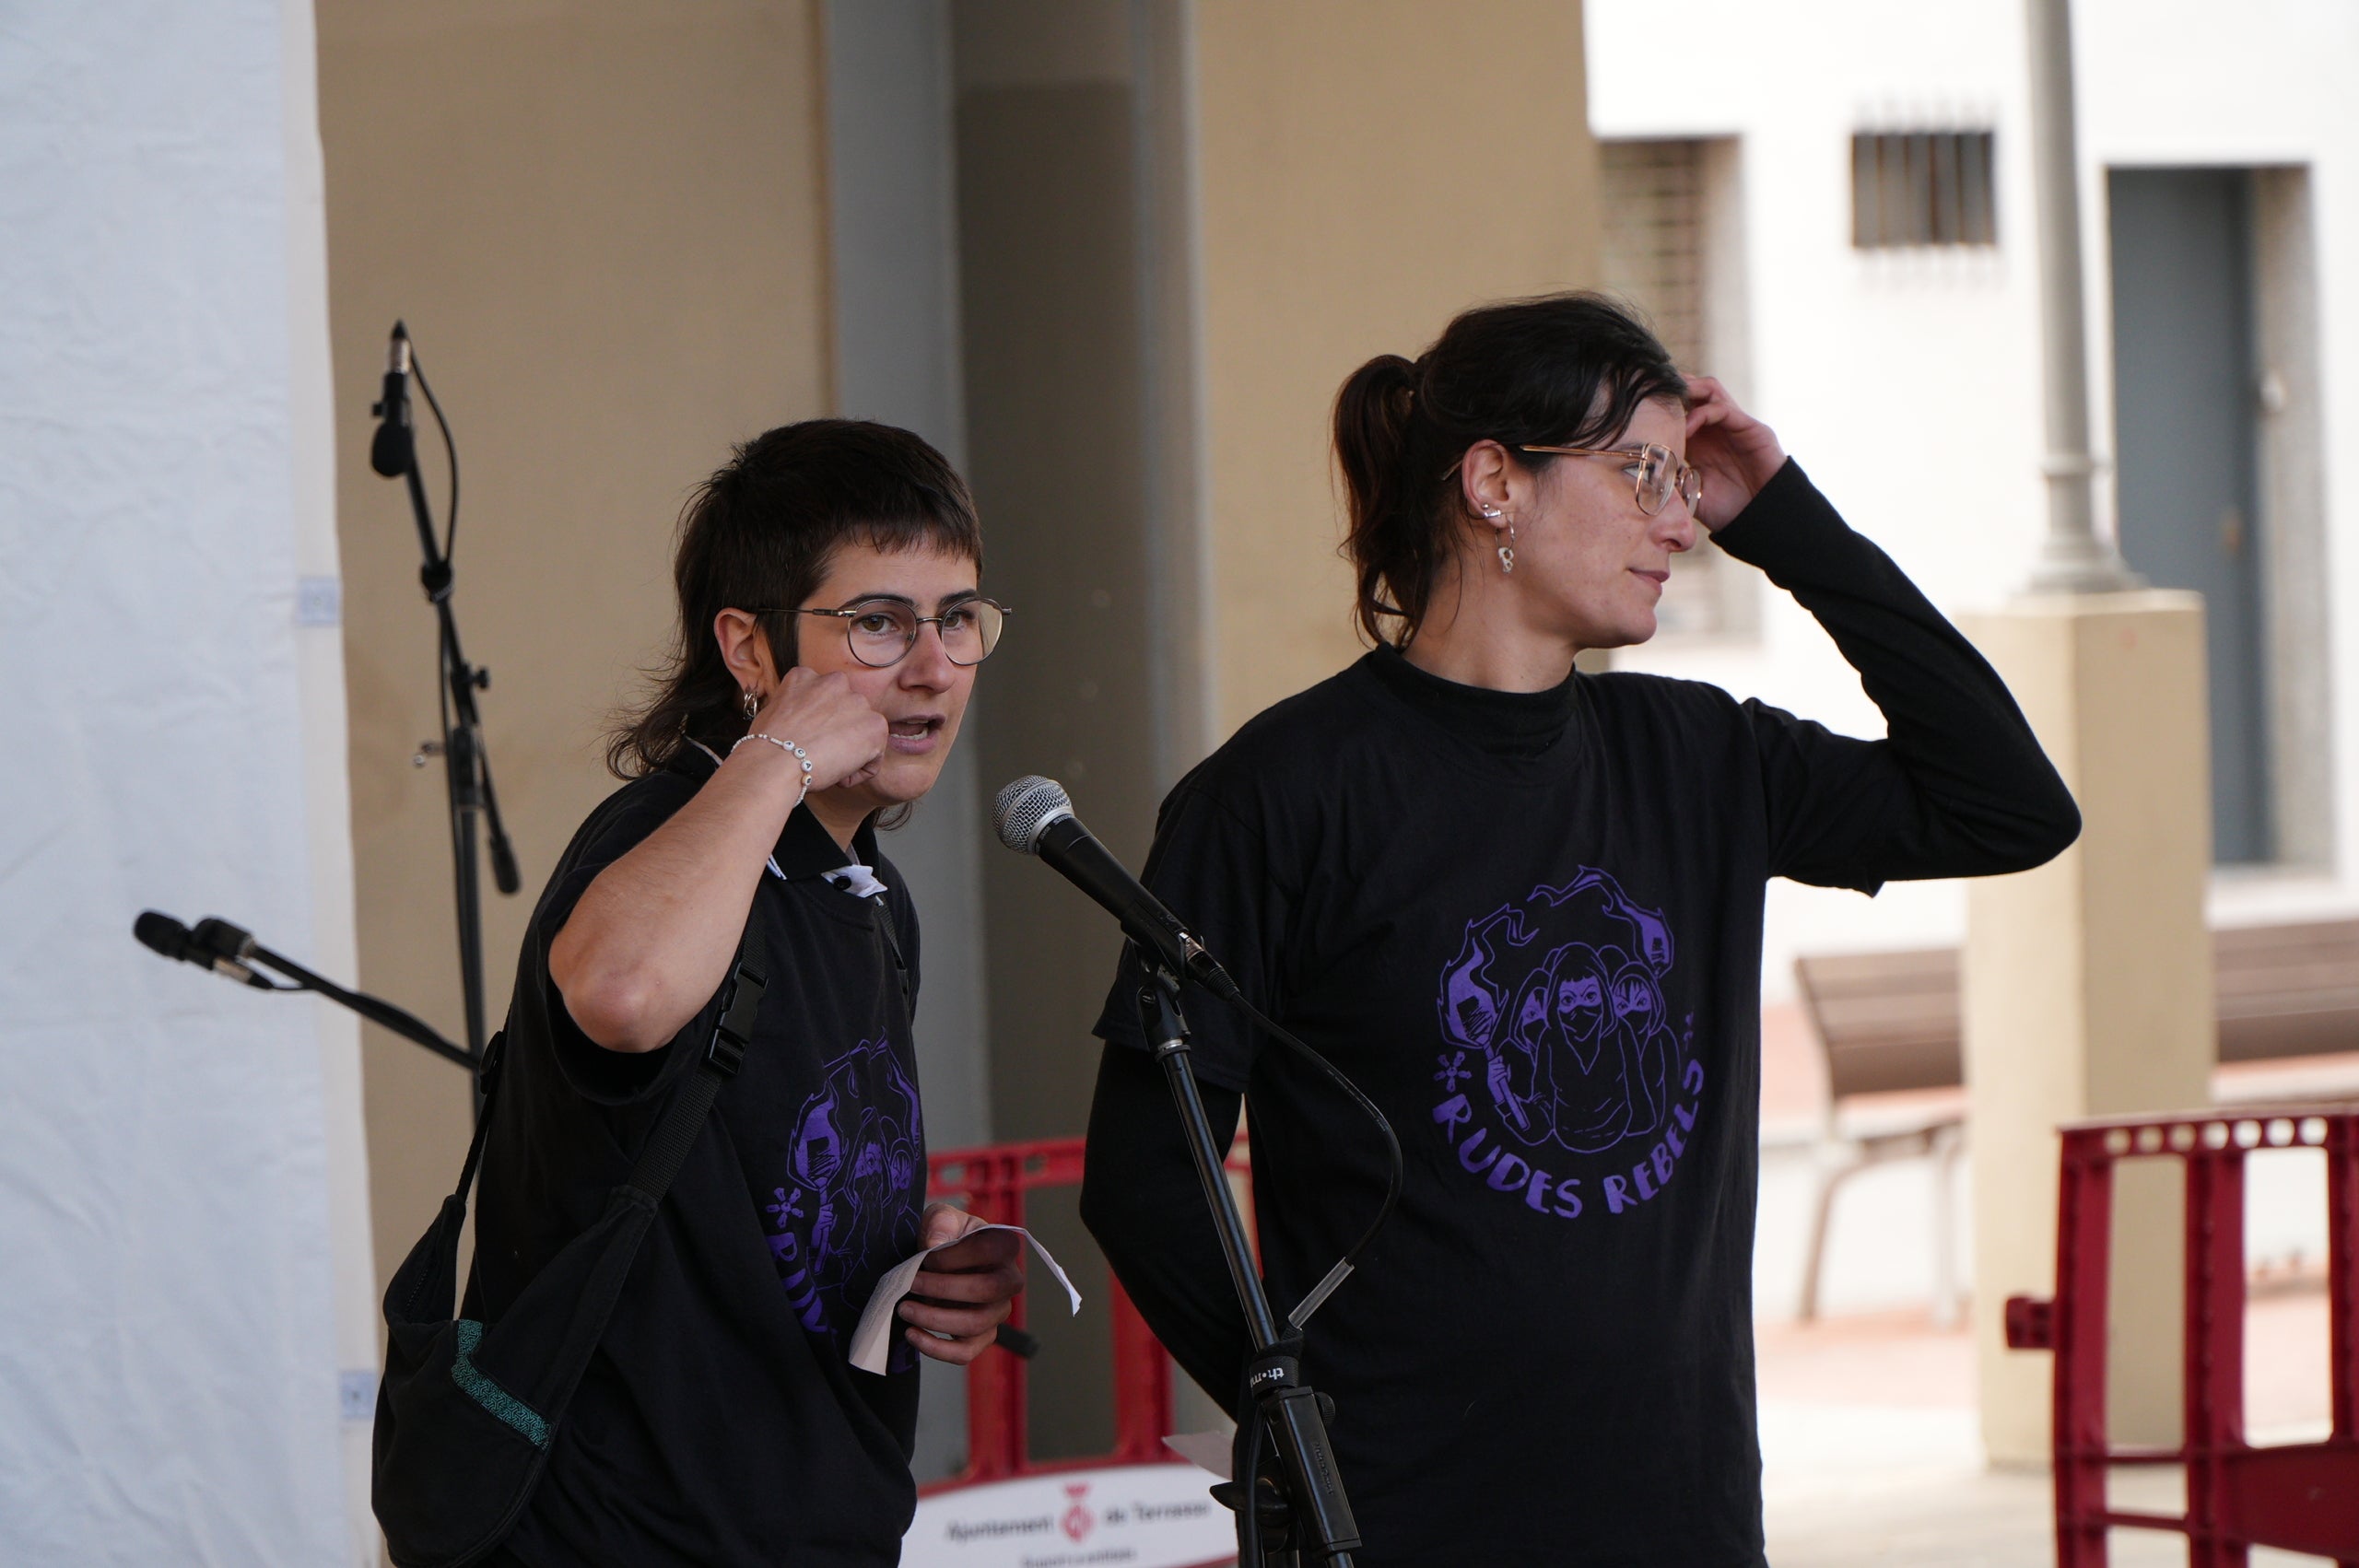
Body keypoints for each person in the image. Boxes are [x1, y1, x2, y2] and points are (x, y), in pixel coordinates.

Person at [1077, 294, 2081, 1566]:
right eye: (1642, 473)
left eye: (1685, 477)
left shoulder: (1702, 755)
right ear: (1496, 479)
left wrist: (1787, 520)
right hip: (1403, 1517)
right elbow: (1145, 1178)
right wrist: (1295, 1414)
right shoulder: (1279, 796)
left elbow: (2009, 806)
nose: (1681, 520)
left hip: (1682, 1502)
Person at [467, 419, 1024, 1567]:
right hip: (620, 1539)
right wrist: (779, 753)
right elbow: (622, 992)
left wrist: (922, 1261)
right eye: (878, 622)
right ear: (749, 646)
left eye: (958, 619)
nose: (932, 667)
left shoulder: (871, 893)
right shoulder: (663, 837)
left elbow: (765, 1181)